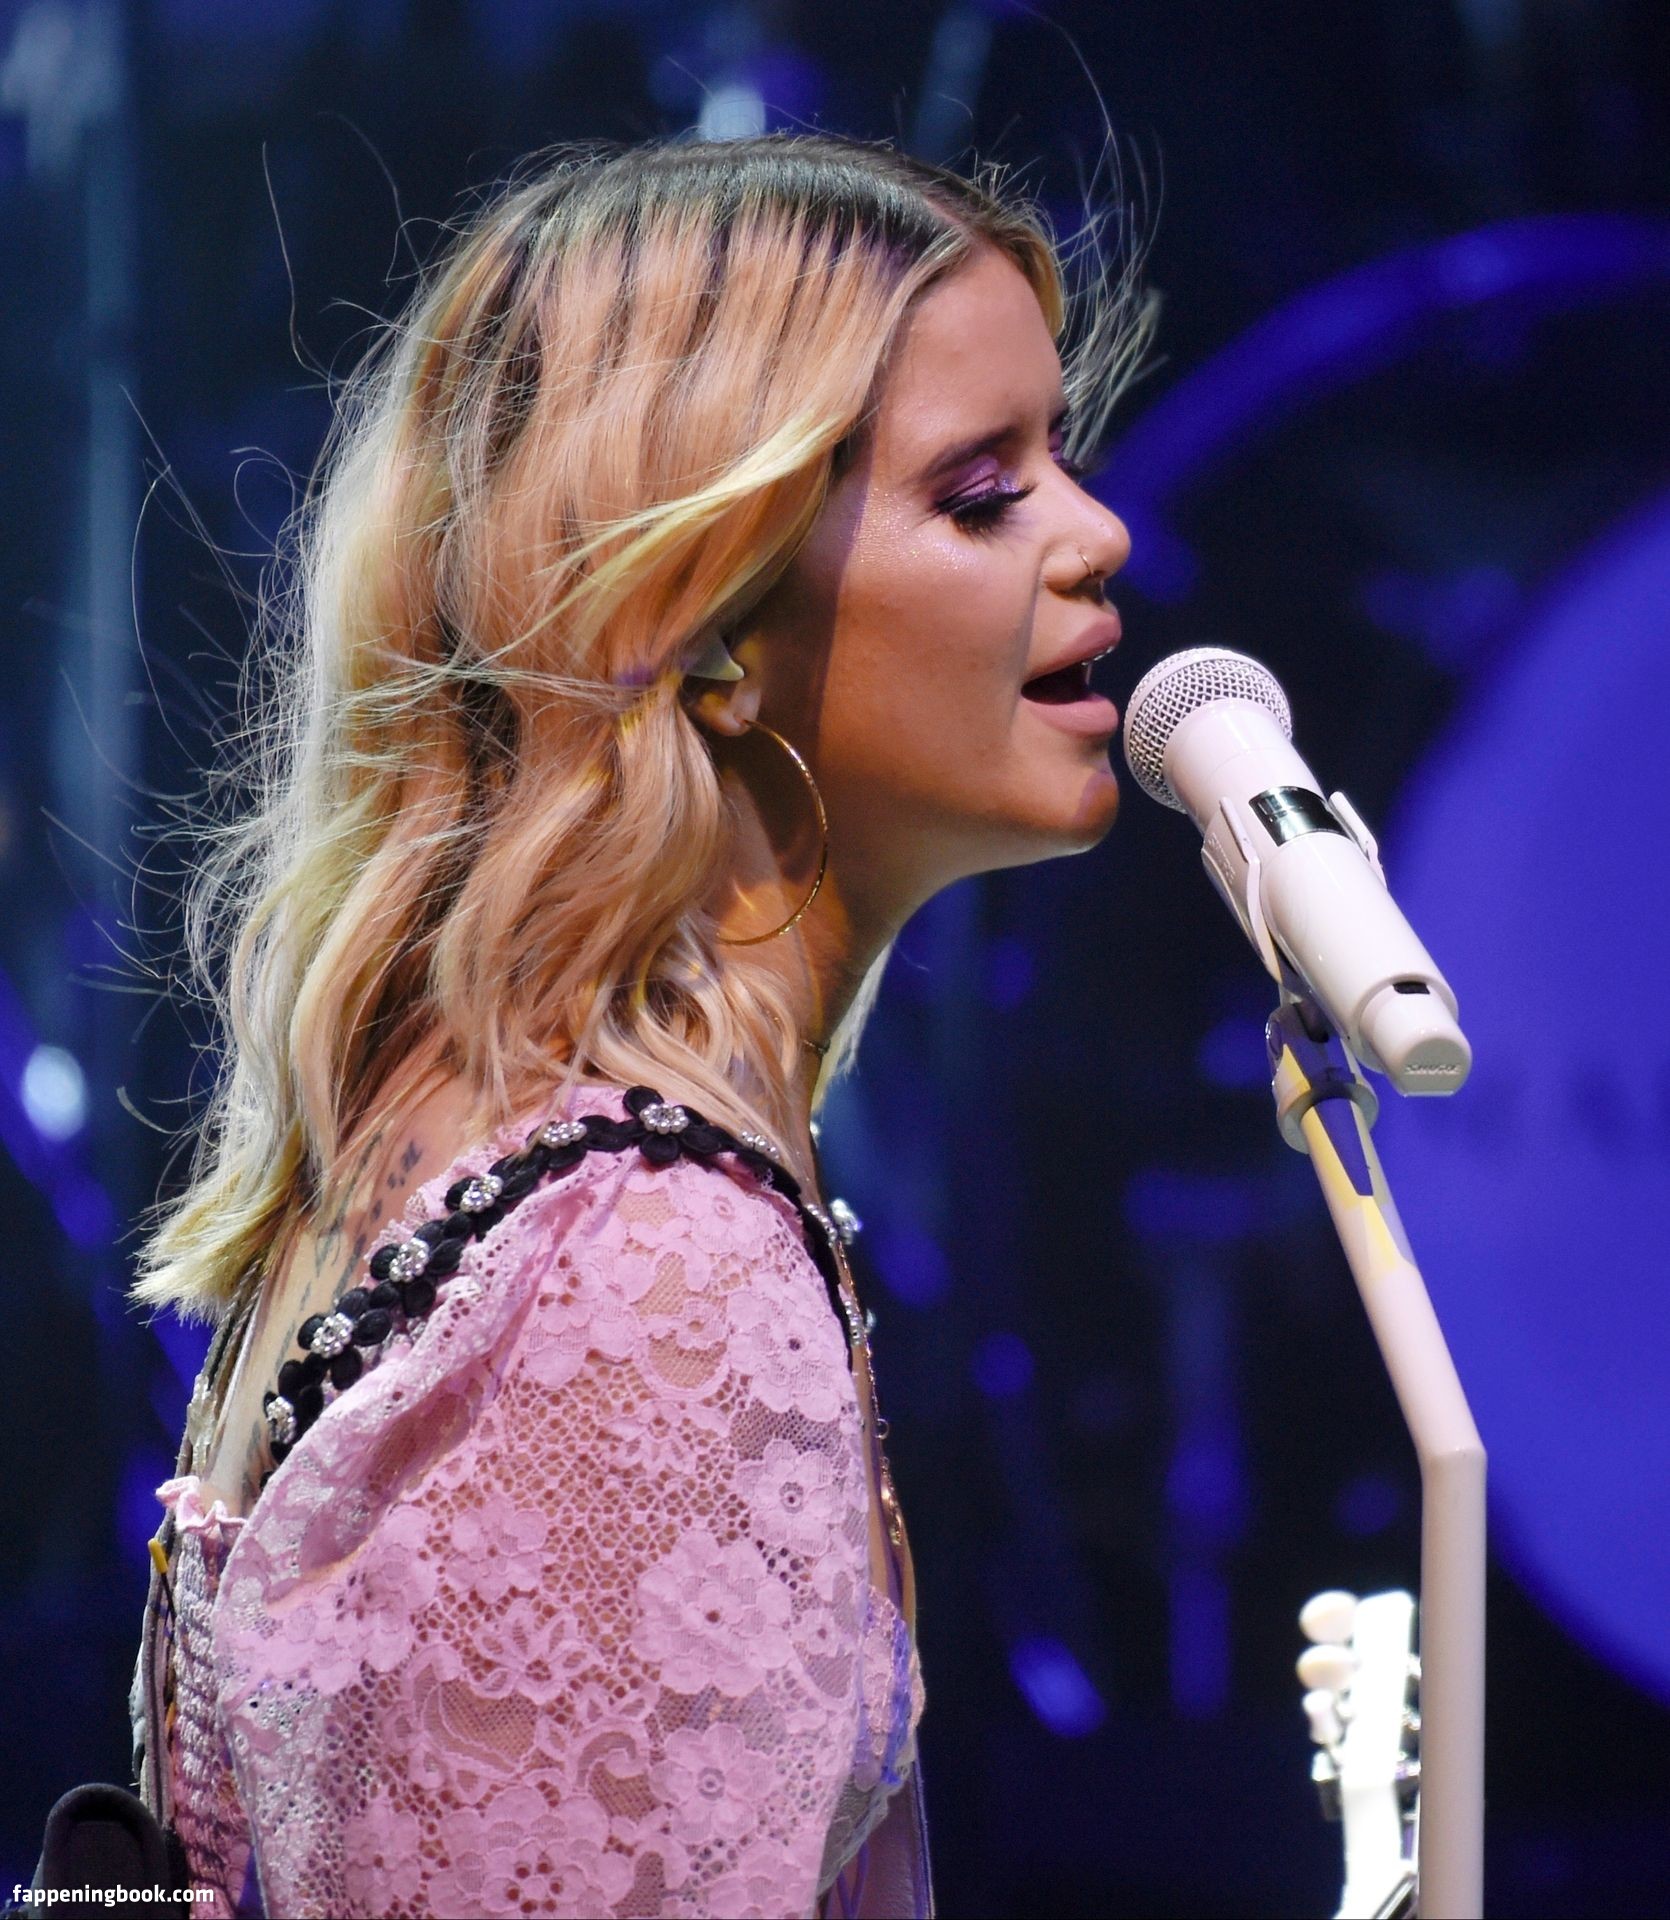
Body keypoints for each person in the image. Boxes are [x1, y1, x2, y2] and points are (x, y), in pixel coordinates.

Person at [132, 132, 1148, 1919]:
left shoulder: (515, 1154)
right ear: (702, 617)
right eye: (982, 492)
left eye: (1059, 456)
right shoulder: (640, 1265)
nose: (1098, 531)